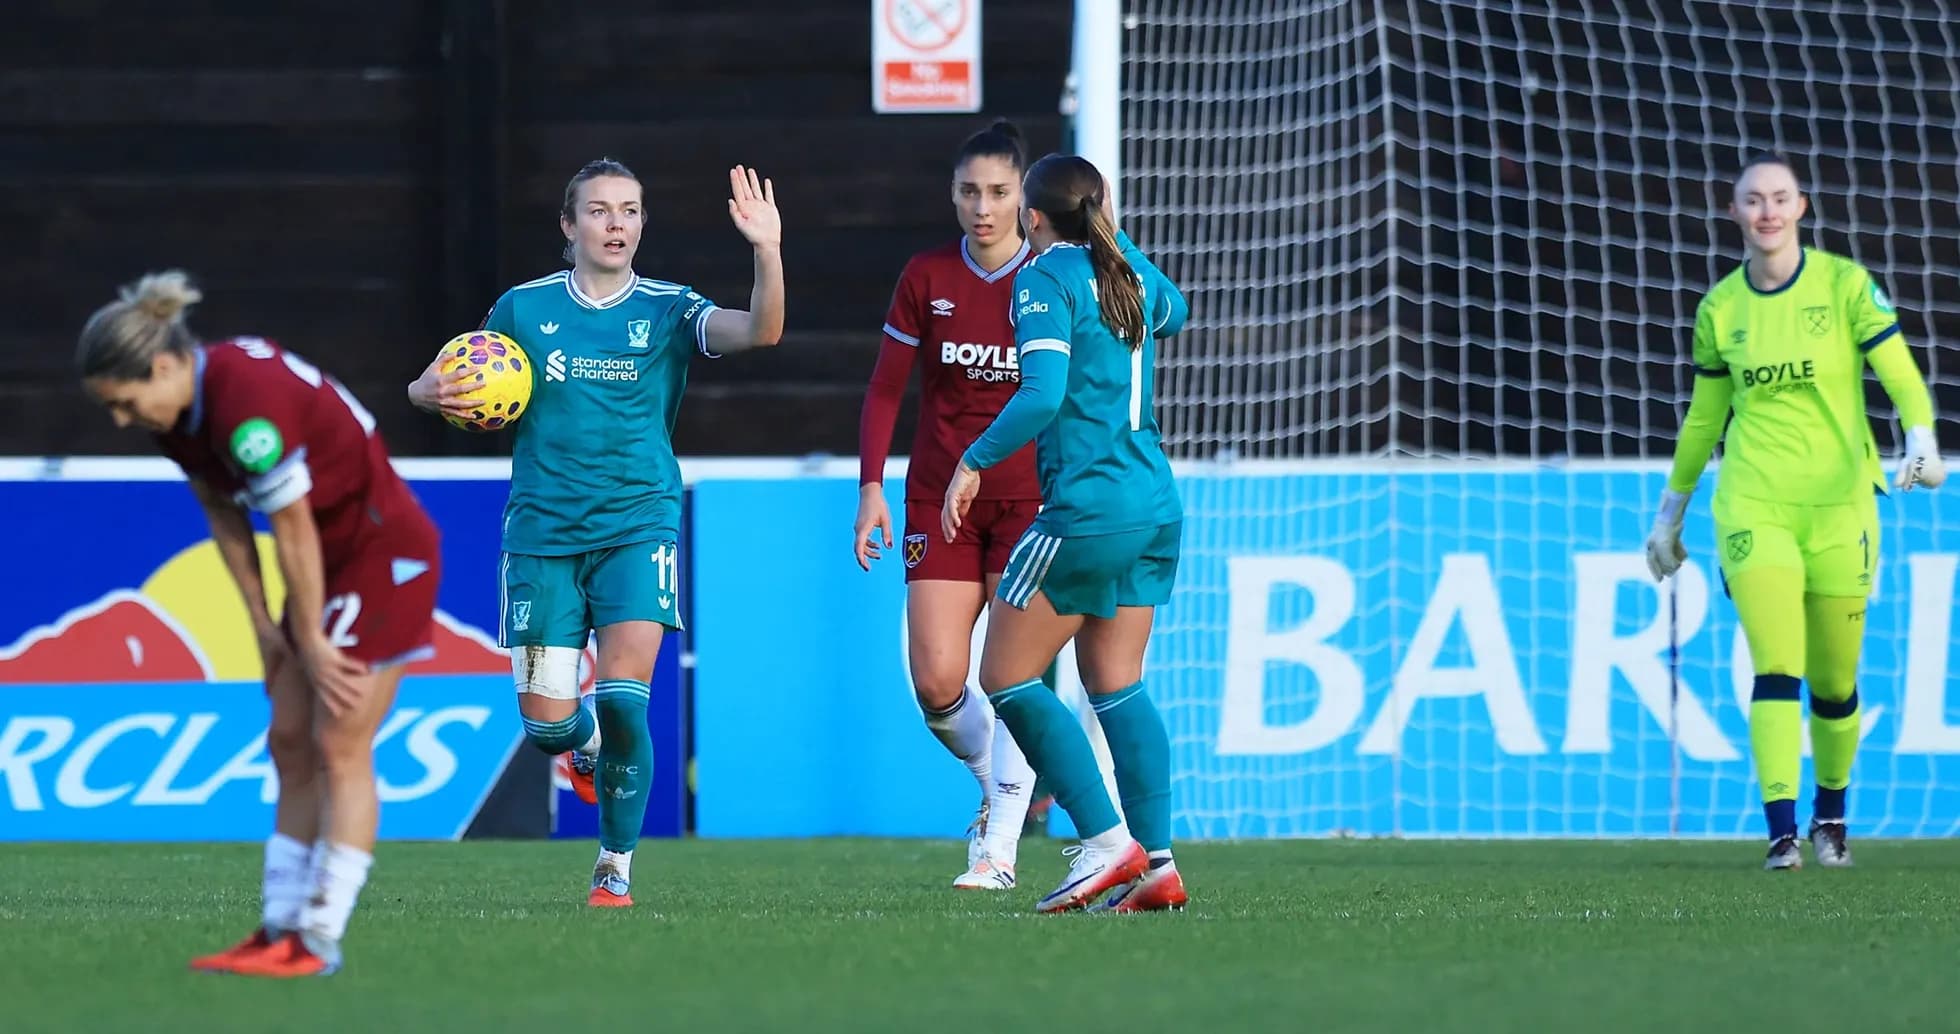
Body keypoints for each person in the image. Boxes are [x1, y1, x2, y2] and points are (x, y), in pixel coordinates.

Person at [410, 158, 784, 906]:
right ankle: (580, 752)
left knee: (622, 697)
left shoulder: (671, 308)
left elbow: (761, 332)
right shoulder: (522, 308)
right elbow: (449, 379)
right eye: (600, 211)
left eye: (630, 210)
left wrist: (766, 250)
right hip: (542, 533)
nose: (616, 224)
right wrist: (424, 391)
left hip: (639, 524)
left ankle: (614, 863)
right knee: (549, 724)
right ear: (569, 225)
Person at [77, 272, 442, 977]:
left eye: (125, 403)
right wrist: (263, 628)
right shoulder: (179, 414)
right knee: (287, 737)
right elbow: (222, 511)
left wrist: (305, 634)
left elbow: (293, 528)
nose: (124, 420)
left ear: (161, 365)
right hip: (326, 567)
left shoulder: (245, 406)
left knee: (339, 741)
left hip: (380, 554)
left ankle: (319, 939)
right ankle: (278, 926)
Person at [1646, 154, 1944, 870]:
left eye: (1781, 199)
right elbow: (1704, 418)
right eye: (1755, 201)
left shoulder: (1845, 286)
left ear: (1802, 207)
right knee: (1776, 664)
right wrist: (1670, 516)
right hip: (1754, 502)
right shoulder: (1720, 309)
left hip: (1842, 504)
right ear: (1736, 213)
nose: (1768, 212)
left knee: (1836, 682)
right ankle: (1782, 833)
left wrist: (1923, 437)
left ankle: (1830, 816)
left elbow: (1898, 368)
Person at [943, 153, 1191, 913]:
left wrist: (973, 460)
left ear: (1032, 216)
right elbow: (1175, 309)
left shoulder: (1043, 276)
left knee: (1004, 676)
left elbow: (1043, 393)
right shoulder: (1130, 276)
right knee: (1116, 685)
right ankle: (1160, 866)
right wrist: (1113, 239)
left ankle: (1109, 844)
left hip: (1087, 511)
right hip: (1155, 506)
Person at [856, 119, 1054, 890]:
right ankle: (1004, 782)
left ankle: (997, 846)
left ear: (1025, 198)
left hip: (1032, 500)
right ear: (953, 194)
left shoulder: (1054, 278)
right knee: (938, 681)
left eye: (1000, 192)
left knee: (1012, 675)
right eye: (970, 191)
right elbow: (884, 388)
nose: (984, 207)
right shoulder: (927, 276)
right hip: (939, 497)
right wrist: (872, 485)